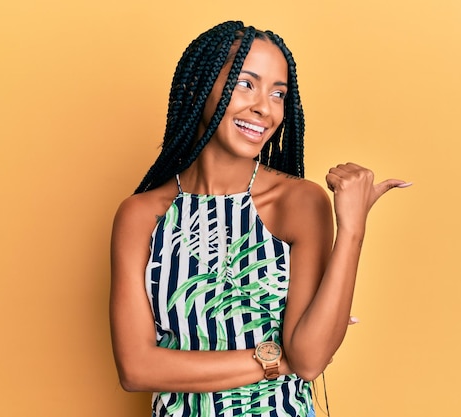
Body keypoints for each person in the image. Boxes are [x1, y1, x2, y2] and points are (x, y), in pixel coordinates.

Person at [110, 20, 411, 417]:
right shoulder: (141, 215)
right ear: (196, 89)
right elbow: (136, 368)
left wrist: (352, 229)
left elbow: (309, 359)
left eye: (278, 93)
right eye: (245, 83)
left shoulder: (298, 202)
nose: (264, 108)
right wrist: (276, 360)